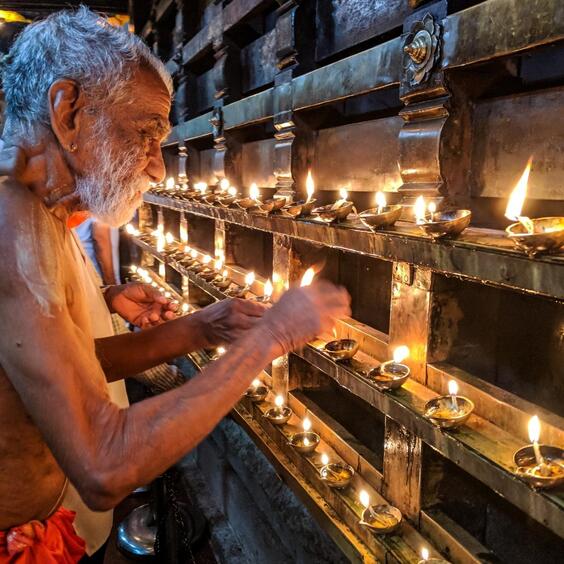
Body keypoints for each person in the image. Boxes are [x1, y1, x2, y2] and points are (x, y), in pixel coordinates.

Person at [0, 7, 350, 563]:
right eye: (145, 134)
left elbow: (61, 371)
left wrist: (205, 326)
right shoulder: (9, 221)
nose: (157, 169)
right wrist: (270, 339)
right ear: (68, 113)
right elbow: (103, 464)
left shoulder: (36, 210)